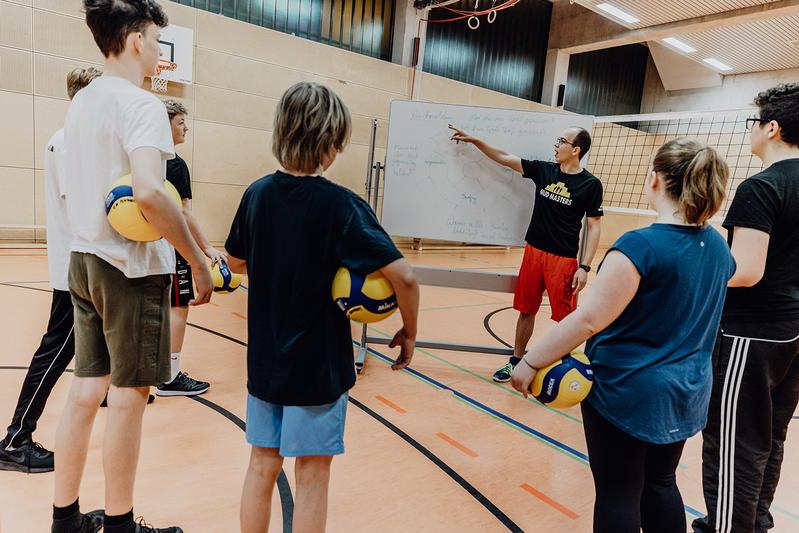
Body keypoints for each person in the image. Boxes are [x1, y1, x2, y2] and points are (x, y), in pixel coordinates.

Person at [511, 138, 734, 533]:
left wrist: (529, 361)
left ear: (656, 180)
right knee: (661, 484)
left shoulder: (640, 246)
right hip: (687, 391)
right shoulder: (718, 245)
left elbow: (586, 321)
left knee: (619, 493)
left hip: (629, 391)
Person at [225, 81, 420, 533]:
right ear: (332, 143)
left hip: (267, 361)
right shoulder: (343, 206)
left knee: (261, 466)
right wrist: (409, 331)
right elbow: (405, 278)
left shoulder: (257, 194)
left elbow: (235, 262)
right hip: (320, 367)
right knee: (312, 474)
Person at [52, 1, 212, 532]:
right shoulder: (141, 105)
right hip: (131, 268)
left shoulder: (84, 102)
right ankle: (120, 525)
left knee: (85, 389)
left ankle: (66, 518)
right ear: (138, 40)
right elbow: (149, 192)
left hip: (83, 259)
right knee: (129, 397)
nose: (160, 53)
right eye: (156, 40)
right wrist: (197, 260)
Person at [693, 83, 799, 533]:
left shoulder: (762, 186)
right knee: (770, 435)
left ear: (772, 127)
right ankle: (753, 522)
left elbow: (746, 270)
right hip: (793, 330)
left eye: (753, 124)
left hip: (750, 334)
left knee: (734, 440)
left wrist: (700, 263)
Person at [0, 67, 102, 477]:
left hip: (80, 268)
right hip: (74, 271)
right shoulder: (69, 142)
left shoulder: (74, 142)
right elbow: (85, 211)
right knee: (56, 352)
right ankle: (15, 440)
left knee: (67, 350)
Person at [448, 124, 603, 383]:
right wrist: (475, 140)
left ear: (576, 150)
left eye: (561, 141)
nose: (556, 144)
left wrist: (584, 267)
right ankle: (516, 361)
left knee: (567, 320)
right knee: (526, 310)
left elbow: (594, 226)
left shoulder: (590, 184)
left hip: (563, 260)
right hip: (533, 253)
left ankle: (568, 370)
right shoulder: (544, 170)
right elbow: (504, 157)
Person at [156, 99, 225, 397]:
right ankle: (169, 378)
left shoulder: (138, 158)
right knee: (178, 306)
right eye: (181, 122)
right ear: (165, 124)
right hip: (171, 248)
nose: (187, 127)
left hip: (141, 248)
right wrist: (207, 248)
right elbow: (184, 212)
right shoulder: (174, 163)